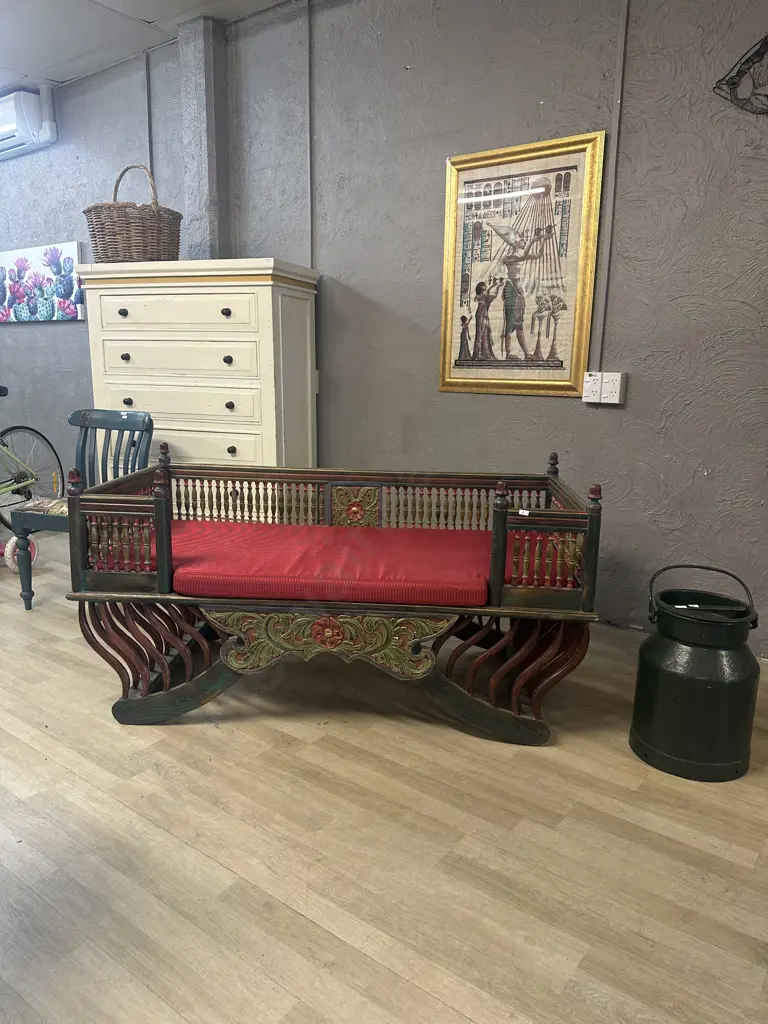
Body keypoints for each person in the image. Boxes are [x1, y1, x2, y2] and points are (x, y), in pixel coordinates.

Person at [490, 223, 552, 359]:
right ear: (516, 242)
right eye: (524, 239)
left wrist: (543, 240)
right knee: (509, 324)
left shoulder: (521, 254)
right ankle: (507, 354)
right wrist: (533, 242)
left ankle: (525, 353)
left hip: (519, 293)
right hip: (510, 290)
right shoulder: (508, 257)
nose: (526, 240)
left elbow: (539, 255)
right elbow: (521, 257)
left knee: (519, 325)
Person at [471, 279, 501, 360]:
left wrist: (497, 286)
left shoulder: (485, 297)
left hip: (485, 316)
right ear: (480, 289)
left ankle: (485, 354)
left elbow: (494, 295)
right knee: (480, 334)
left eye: (485, 288)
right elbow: (486, 294)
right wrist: (492, 286)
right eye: (483, 288)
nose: (485, 289)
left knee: (485, 334)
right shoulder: (479, 296)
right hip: (480, 315)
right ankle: (478, 354)